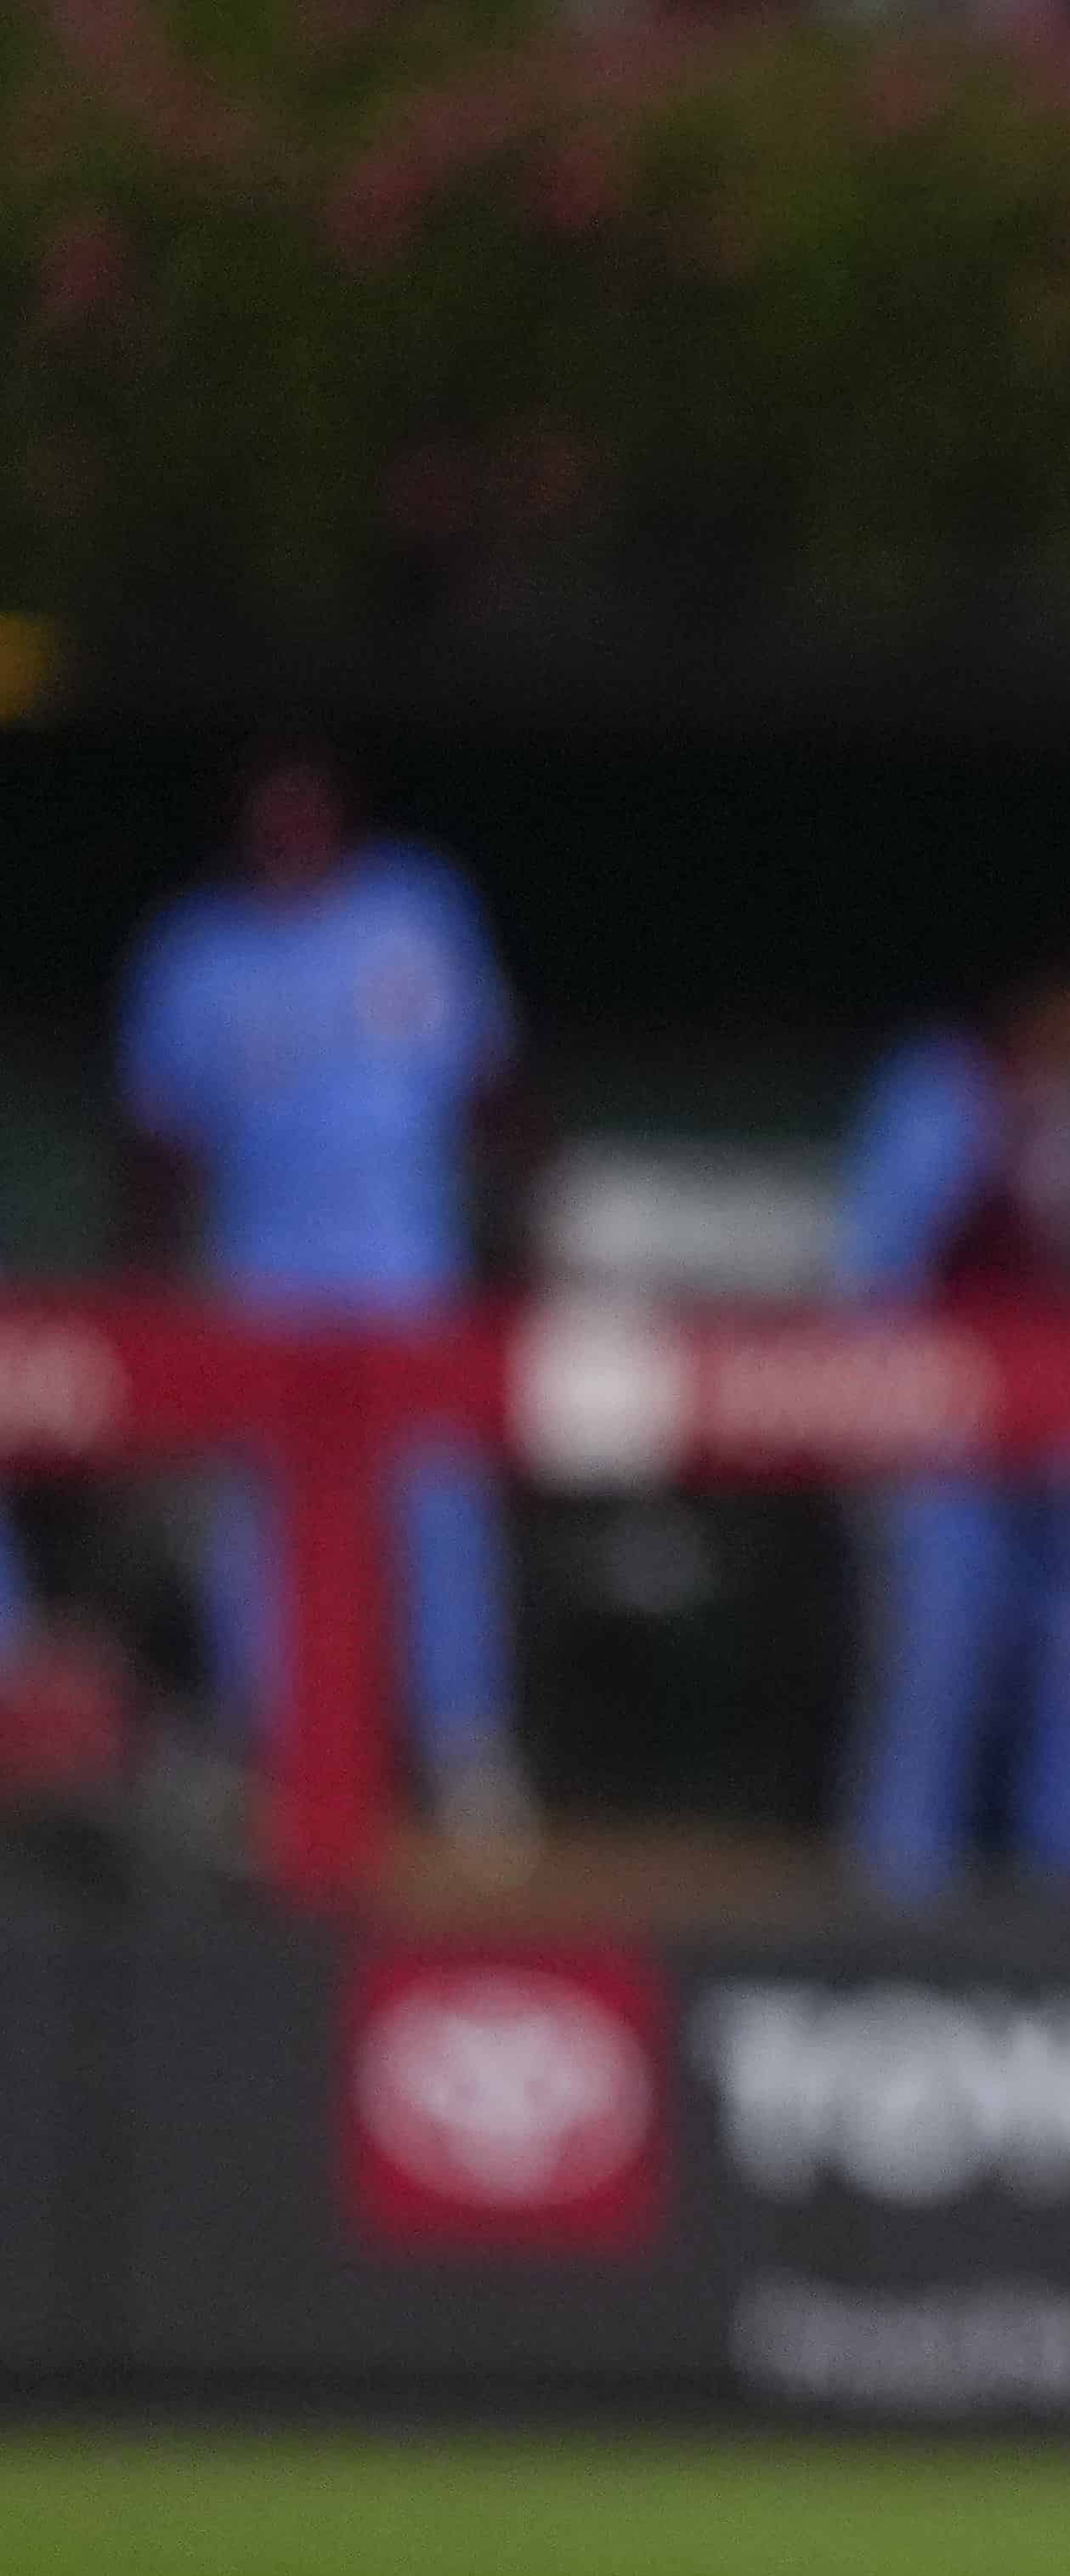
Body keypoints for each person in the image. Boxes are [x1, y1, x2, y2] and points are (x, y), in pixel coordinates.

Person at [116, 737, 533, 1874]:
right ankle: (275, 1751)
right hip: (266, 1272)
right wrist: (156, 1297)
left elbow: (491, 1085)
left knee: (439, 1509)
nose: (291, 835)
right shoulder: (198, 951)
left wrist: (519, 1244)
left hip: (408, 1265)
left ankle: (461, 1751)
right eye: (270, 816)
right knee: (257, 1532)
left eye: (310, 813)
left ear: (345, 817)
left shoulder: (414, 905)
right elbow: (160, 1139)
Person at [831, 929, 1070, 1908]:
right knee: (937, 1665)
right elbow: (875, 1281)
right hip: (940, 1439)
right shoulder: (946, 1086)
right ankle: (898, 1905)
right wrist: (888, 1425)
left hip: (1053, 1445)